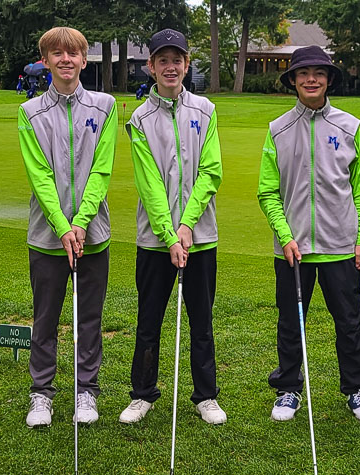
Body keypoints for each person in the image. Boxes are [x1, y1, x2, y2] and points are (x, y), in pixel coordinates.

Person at [257, 46, 360, 425]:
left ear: (329, 79)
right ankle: (289, 388)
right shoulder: (278, 129)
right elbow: (267, 191)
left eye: (319, 73)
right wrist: (284, 233)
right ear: (293, 80)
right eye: (303, 73)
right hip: (292, 248)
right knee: (291, 323)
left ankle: (356, 390)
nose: (311, 79)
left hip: (340, 245)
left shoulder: (349, 126)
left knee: (350, 322)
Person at [120, 29, 226, 425]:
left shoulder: (206, 110)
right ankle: (142, 394)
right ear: (150, 66)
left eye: (176, 59)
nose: (170, 66)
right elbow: (149, 184)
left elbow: (211, 171)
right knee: (149, 321)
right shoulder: (140, 119)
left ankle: (206, 396)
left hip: (200, 237)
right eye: (162, 60)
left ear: (186, 63)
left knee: (202, 320)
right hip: (154, 241)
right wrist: (169, 233)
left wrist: (186, 225)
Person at [18, 27, 117, 428]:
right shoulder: (29, 113)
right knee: (44, 319)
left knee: (89, 317)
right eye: (56, 54)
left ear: (84, 58)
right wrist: (62, 225)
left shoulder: (106, 106)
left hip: (93, 235)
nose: (65, 60)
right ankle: (42, 393)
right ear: (45, 61)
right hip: (46, 236)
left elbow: (102, 170)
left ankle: (86, 391)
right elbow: (40, 176)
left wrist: (80, 222)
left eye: (72, 53)